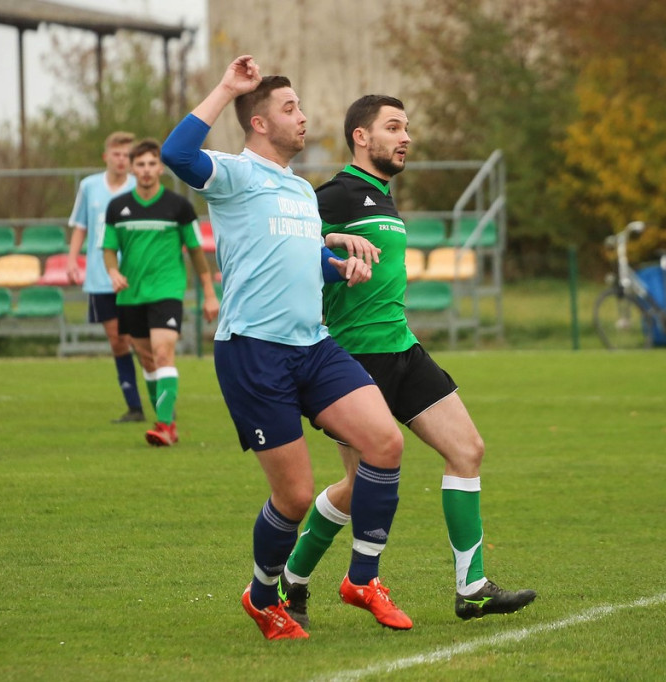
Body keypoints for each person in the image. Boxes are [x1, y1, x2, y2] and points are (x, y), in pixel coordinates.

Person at [162, 56, 412, 640]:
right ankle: (261, 594)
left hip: (313, 345)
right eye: (289, 109)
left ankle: (362, 579)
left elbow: (298, 259)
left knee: (384, 442)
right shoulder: (235, 174)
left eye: (300, 107)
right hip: (255, 351)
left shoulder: (302, 190)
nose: (303, 118)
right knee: (295, 495)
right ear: (259, 124)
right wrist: (228, 87)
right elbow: (178, 156)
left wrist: (337, 266)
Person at [277, 95, 537, 628]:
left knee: (468, 449)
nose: (405, 137)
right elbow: (291, 248)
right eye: (392, 127)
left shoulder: (382, 196)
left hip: (402, 350)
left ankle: (473, 588)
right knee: (355, 489)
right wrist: (329, 241)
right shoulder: (335, 195)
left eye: (407, 128)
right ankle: (292, 578)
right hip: (352, 361)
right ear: (360, 137)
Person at [102, 138, 219, 447]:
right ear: (131, 167)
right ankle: (167, 421)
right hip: (131, 294)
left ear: (161, 167)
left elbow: (196, 252)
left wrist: (208, 293)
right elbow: (109, 250)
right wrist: (113, 272)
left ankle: (164, 426)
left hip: (167, 291)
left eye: (152, 163)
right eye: (140, 164)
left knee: (163, 352)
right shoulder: (117, 207)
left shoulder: (179, 207)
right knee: (148, 360)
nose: (146, 170)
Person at [67, 131, 149, 424]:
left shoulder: (140, 187)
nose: (121, 160)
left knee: (139, 340)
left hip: (133, 277)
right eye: (116, 154)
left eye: (127, 155)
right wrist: (71, 260)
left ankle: (161, 401)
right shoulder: (89, 187)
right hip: (100, 278)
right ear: (106, 157)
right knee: (117, 341)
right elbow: (80, 226)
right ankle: (135, 407)